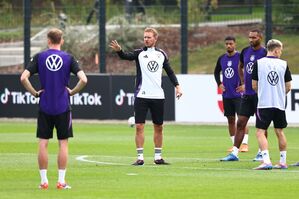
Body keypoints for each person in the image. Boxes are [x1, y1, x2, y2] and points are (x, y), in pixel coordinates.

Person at [20, 28, 88, 189]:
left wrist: (35, 93)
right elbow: (84, 80)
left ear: (48, 41)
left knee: (43, 142)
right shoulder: (68, 58)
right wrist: (72, 91)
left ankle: (44, 182)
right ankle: (61, 181)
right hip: (63, 106)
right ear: (61, 41)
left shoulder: (39, 57)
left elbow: (23, 77)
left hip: (45, 106)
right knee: (62, 143)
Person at [109, 27, 183, 166]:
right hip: (141, 96)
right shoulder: (139, 53)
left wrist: (177, 87)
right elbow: (125, 56)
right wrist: (119, 50)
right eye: (144, 37)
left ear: (155, 38)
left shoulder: (162, 54)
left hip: (158, 96)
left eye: (149, 37)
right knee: (139, 126)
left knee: (159, 127)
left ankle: (158, 157)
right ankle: (140, 157)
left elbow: (170, 72)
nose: (146, 39)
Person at [220, 29, 267, 162]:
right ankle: (234, 153)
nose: (251, 40)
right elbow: (240, 66)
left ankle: (261, 153)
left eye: (254, 37)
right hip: (246, 95)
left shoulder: (264, 52)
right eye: (249, 37)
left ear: (260, 38)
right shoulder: (245, 51)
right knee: (240, 123)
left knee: (261, 125)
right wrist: (243, 82)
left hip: (259, 95)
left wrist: (259, 85)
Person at [251, 39, 292, 170]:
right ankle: (283, 162)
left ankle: (266, 161)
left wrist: (263, 93)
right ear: (275, 50)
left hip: (264, 103)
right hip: (279, 104)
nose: (281, 52)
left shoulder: (259, 63)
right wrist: (279, 93)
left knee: (260, 132)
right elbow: (288, 86)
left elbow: (254, 85)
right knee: (279, 131)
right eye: (280, 50)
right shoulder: (284, 64)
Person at [214, 36, 249, 153]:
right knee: (230, 120)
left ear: (235, 44)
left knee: (242, 119)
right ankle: (235, 145)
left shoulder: (241, 57)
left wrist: (245, 84)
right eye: (227, 44)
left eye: (231, 44)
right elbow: (216, 72)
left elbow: (249, 71)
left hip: (239, 94)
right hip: (227, 94)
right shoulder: (221, 58)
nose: (229, 46)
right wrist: (219, 83)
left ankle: (245, 144)